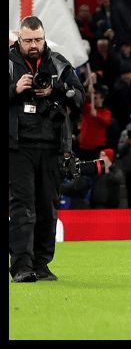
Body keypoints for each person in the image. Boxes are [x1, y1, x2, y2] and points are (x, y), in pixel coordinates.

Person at [9, 16, 86, 283]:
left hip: (53, 145)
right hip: (17, 146)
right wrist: (14, 89)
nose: (34, 45)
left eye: (38, 40)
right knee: (22, 206)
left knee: (47, 206)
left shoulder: (59, 63)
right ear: (19, 38)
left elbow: (79, 99)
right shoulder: (9, 63)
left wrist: (55, 90)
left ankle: (41, 265)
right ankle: (21, 266)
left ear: (44, 37)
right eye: (28, 40)